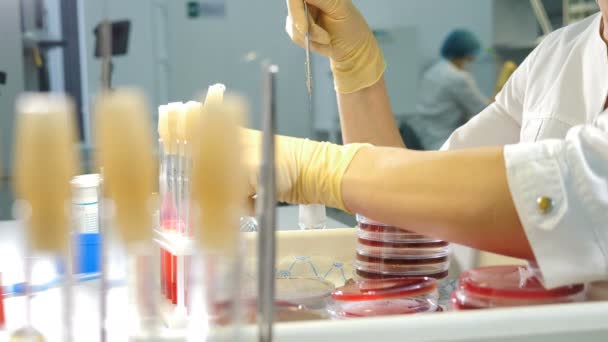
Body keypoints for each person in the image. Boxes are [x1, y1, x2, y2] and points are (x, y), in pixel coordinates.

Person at [247, 0, 608, 289]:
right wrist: (356, 66)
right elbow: (415, 218)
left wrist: (314, 169)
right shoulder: (556, 55)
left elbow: (580, 194)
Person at [407, 29, 488, 150]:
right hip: (441, 141)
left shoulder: (434, 70)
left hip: (423, 136)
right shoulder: (457, 77)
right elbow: (484, 111)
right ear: (467, 56)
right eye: (471, 58)